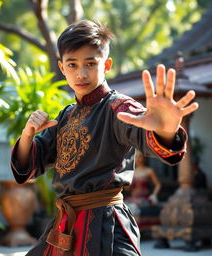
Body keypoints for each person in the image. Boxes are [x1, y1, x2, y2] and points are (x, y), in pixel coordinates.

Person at [10, 20, 199, 256]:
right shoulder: (66, 115)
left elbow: (147, 135)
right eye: (73, 64)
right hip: (65, 224)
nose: (81, 73)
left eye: (90, 63)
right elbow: (29, 166)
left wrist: (166, 129)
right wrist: (27, 135)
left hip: (106, 224)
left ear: (107, 64)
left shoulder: (118, 107)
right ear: (62, 67)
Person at [124, 150, 161, 230]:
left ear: (144, 157)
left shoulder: (149, 171)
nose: (138, 158)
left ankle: (136, 231)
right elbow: (127, 189)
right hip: (133, 199)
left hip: (144, 199)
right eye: (136, 156)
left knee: (133, 207)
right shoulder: (131, 172)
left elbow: (158, 184)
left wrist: (154, 195)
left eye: (140, 156)